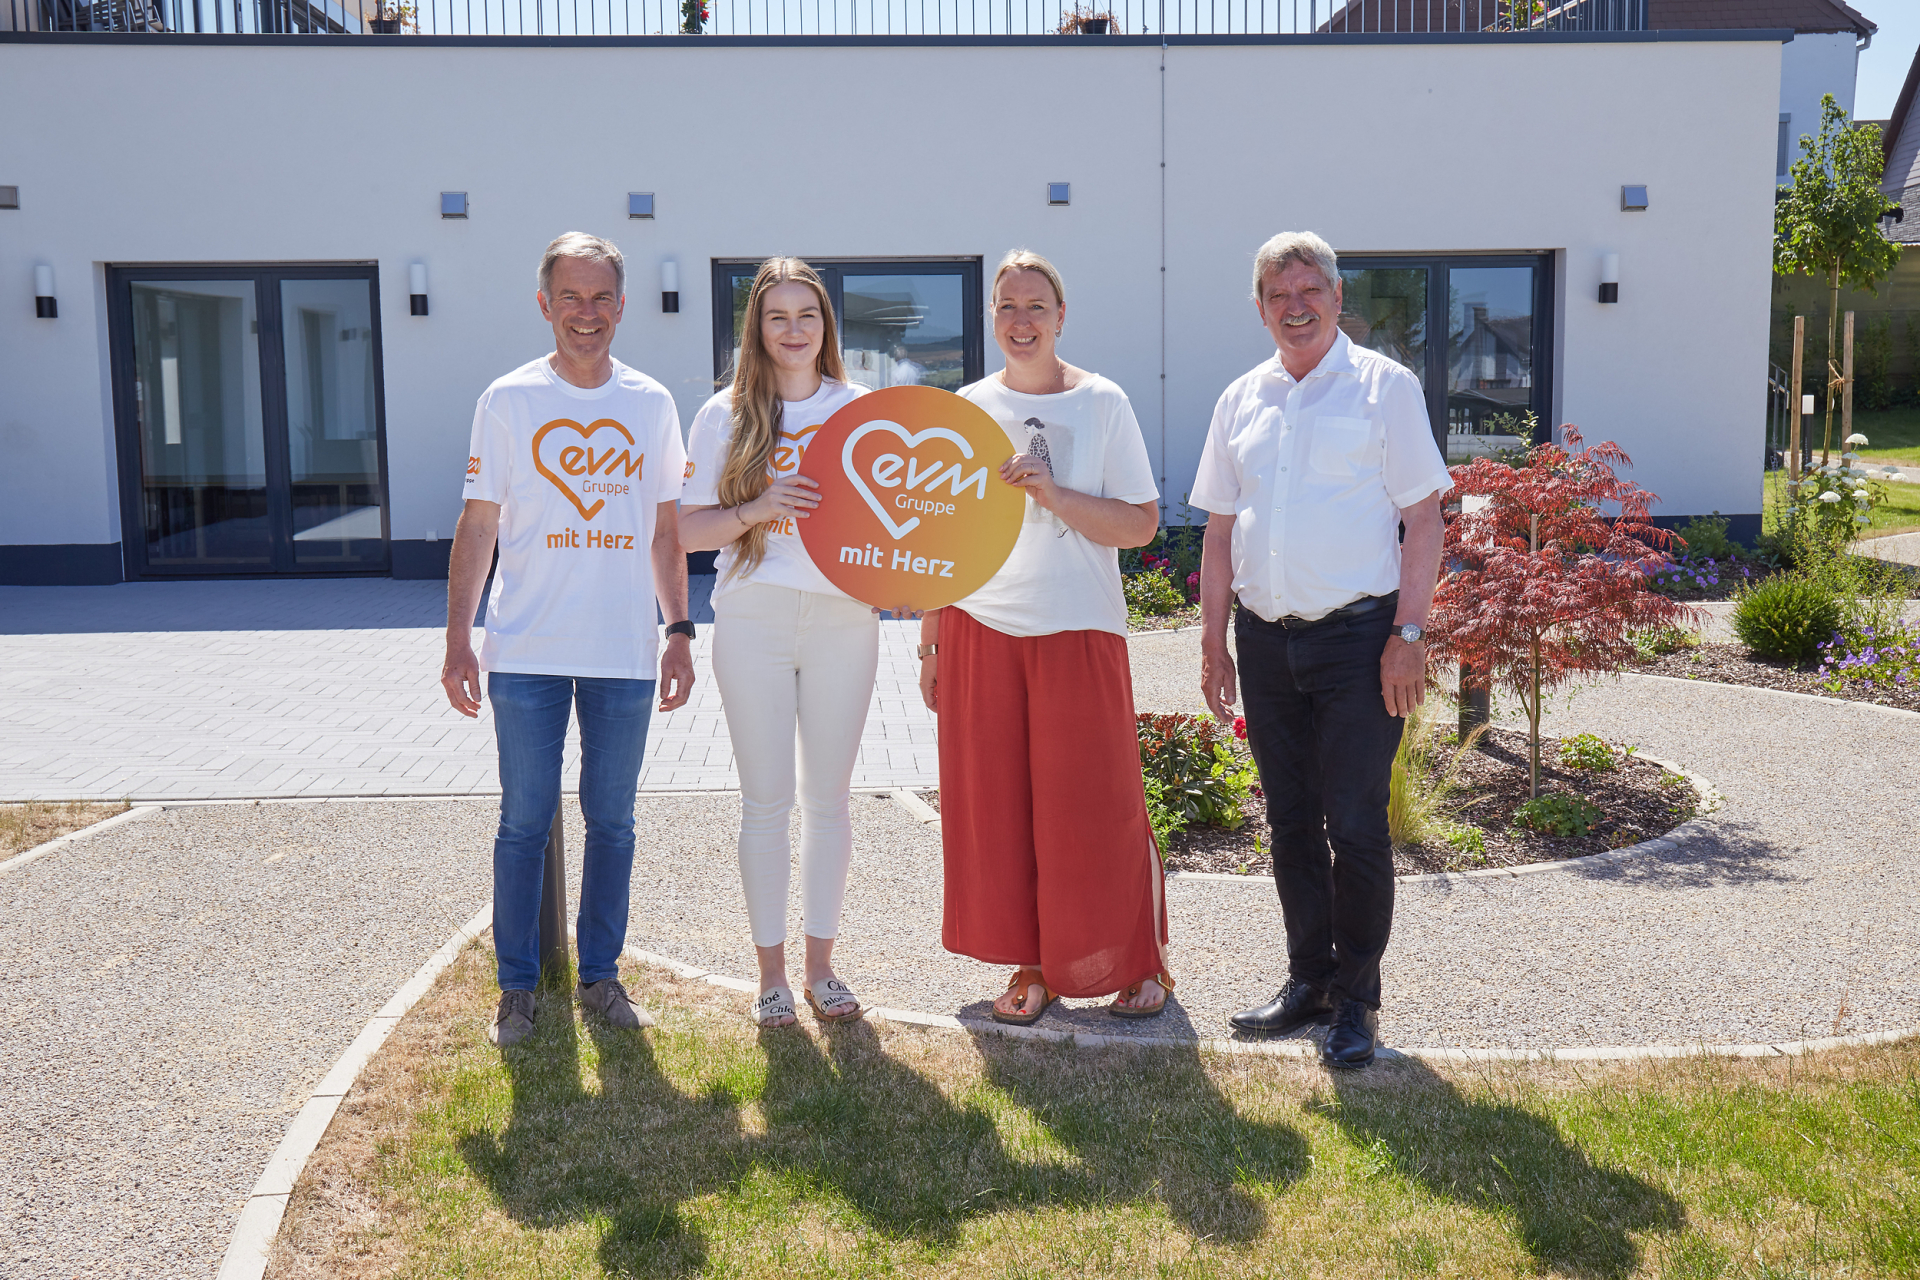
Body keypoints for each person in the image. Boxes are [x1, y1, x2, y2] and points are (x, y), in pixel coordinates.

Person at [1192, 231, 1449, 1069]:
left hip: (1358, 643)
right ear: (1259, 308)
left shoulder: (1385, 388)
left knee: (1357, 826)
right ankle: (1308, 981)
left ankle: (1357, 1001)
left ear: (1339, 300)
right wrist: (1213, 640)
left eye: (1311, 290)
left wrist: (1408, 635)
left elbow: (1424, 520)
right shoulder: (1241, 398)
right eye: (1278, 294)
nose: (1295, 306)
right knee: (1291, 823)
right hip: (1266, 645)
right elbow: (1221, 530)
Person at [442, 232, 694, 1049]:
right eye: (571, 298)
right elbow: (478, 526)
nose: (587, 315)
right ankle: (517, 990)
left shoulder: (651, 404)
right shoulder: (509, 400)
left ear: (623, 306)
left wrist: (681, 632)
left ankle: (601, 978)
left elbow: (665, 532)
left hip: (623, 652)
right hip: (524, 652)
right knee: (524, 820)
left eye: (602, 299)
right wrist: (457, 641)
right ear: (544, 303)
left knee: (613, 822)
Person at [918, 249, 1171, 1024]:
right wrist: (930, 638)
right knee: (999, 808)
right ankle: (1032, 968)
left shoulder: (1104, 404)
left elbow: (1140, 523)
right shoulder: (966, 406)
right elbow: (942, 536)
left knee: (1100, 802)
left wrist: (1054, 493)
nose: (1020, 321)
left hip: (1079, 624)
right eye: (1006, 306)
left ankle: (1136, 960)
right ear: (991, 318)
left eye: (1035, 306)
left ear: (1062, 317)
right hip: (980, 624)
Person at [679, 258, 876, 1029]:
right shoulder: (723, 414)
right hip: (753, 617)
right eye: (777, 317)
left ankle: (822, 967)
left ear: (827, 327)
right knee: (765, 802)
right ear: (755, 330)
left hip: (844, 621)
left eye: (808, 316)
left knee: (828, 800)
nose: (794, 331)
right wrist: (758, 505)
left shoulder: (860, 409)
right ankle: (770, 978)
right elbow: (688, 532)